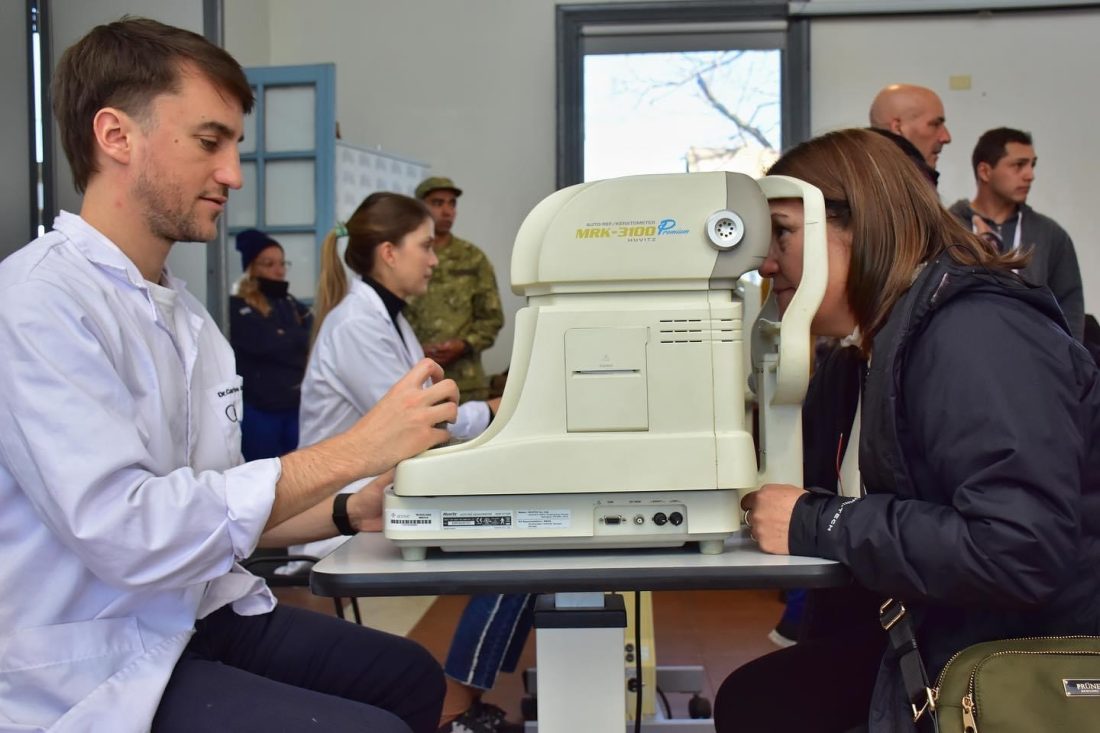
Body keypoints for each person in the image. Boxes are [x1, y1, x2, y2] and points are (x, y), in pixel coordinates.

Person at [0, 18, 458, 733]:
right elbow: (129, 530)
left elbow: (221, 505)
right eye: (210, 142)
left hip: (197, 612)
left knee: (409, 677)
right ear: (116, 136)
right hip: (98, 656)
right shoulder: (37, 302)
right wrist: (356, 450)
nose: (234, 173)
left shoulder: (189, 321)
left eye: (236, 145)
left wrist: (346, 509)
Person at [715, 128, 1100, 732]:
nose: (766, 263)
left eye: (781, 235)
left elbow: (1019, 549)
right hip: (935, 631)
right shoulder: (856, 363)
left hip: (1023, 659)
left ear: (857, 225)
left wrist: (819, 521)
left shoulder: (976, 334)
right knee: (761, 702)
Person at [296, 191, 530, 733]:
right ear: (388, 253)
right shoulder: (359, 324)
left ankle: (464, 693)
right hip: (351, 513)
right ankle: (454, 705)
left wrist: (492, 414)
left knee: (532, 539)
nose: (434, 258)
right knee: (524, 549)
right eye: (424, 246)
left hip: (386, 494)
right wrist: (497, 412)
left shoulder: (389, 320)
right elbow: (420, 426)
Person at [948, 127, 1085, 339]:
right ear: (985, 171)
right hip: (962, 353)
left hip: (1033, 361)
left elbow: (1070, 307)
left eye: (1032, 165)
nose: (1030, 175)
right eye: (1018, 165)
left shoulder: (1050, 234)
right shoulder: (949, 228)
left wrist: (1067, 365)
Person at [406, 176, 504, 402]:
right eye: (438, 203)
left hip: (466, 384)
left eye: (452, 203)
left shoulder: (472, 257)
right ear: (420, 207)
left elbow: (492, 318)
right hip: (413, 380)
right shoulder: (406, 255)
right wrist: (414, 348)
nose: (447, 211)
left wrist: (463, 345)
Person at [230, 228, 312, 460]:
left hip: (295, 407)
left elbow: (313, 337)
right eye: (269, 264)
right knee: (262, 478)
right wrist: (294, 339)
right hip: (260, 411)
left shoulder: (290, 302)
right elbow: (266, 344)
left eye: (282, 263)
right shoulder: (238, 305)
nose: (279, 271)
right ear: (252, 267)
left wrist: (288, 337)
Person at [868, 83, 951, 186]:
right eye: (935, 124)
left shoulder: (861, 182)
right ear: (898, 128)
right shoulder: (889, 190)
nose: (946, 137)